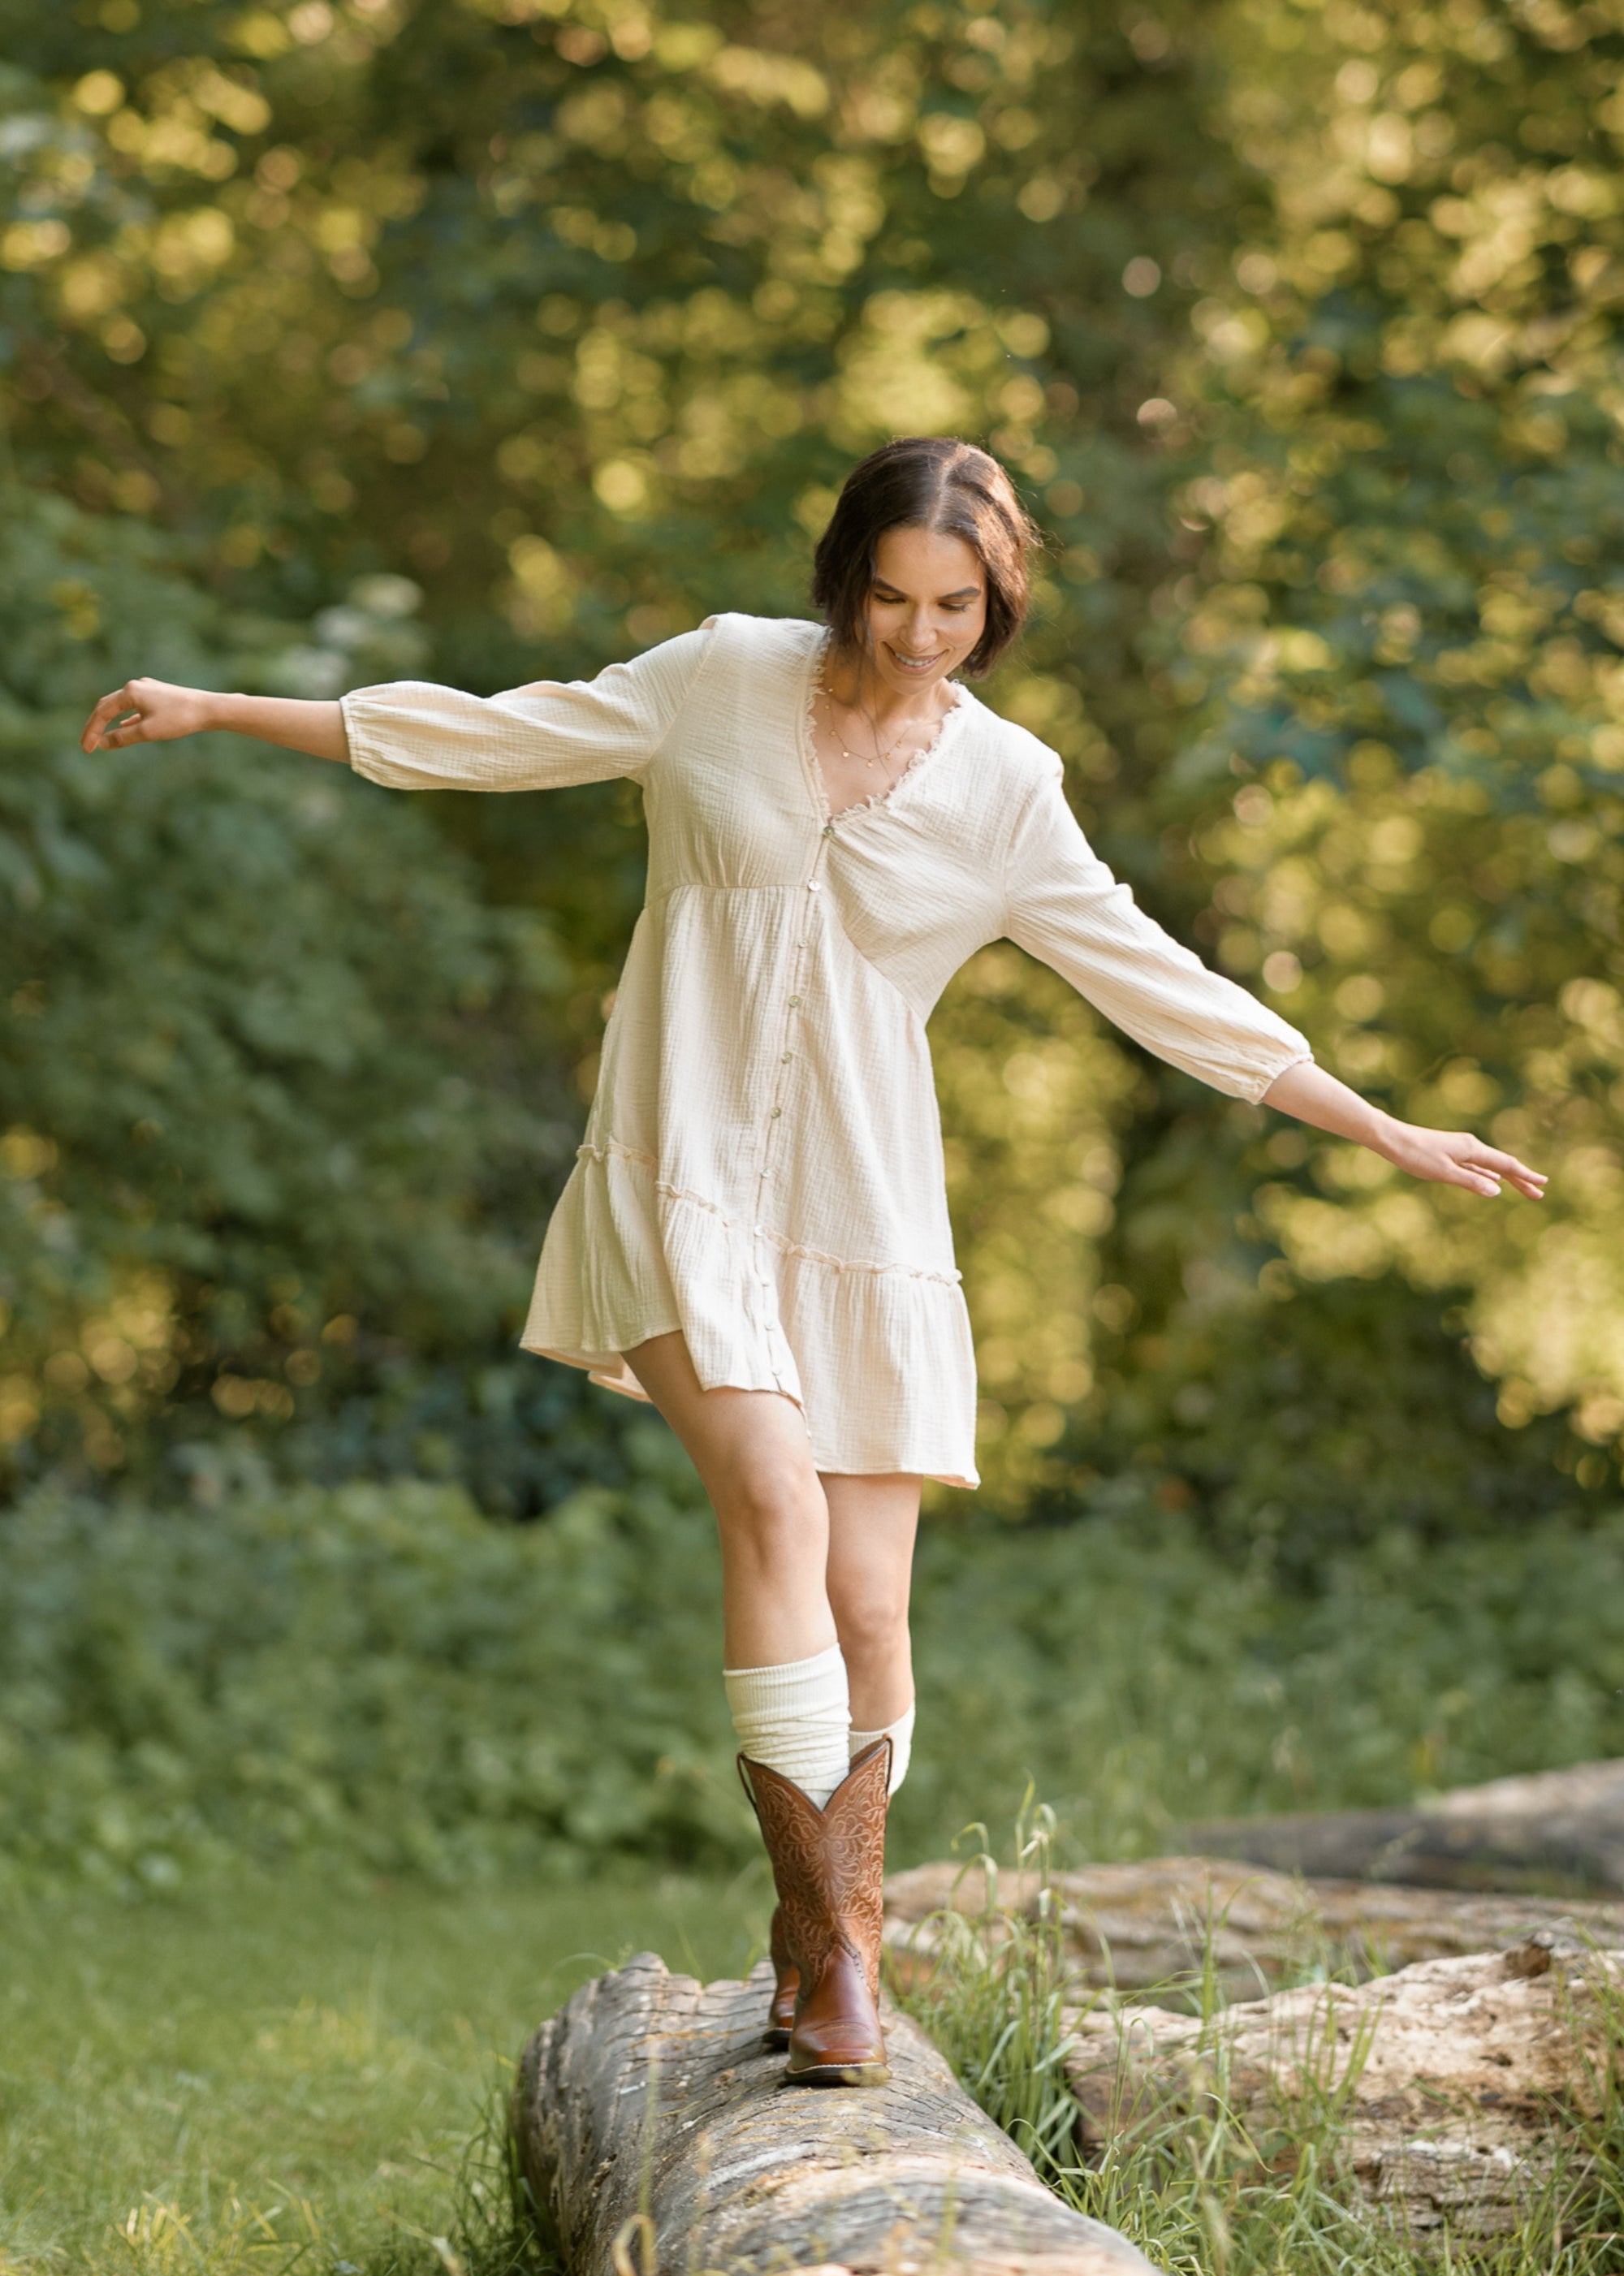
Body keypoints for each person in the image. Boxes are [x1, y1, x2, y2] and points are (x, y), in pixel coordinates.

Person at [81, 436, 1546, 2087]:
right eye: (893, 596)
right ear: (843, 574)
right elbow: (493, 735)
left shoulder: (1007, 789)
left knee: (868, 1599)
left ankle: (820, 1947)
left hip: (864, 1216)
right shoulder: (716, 679)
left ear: (999, 603)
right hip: (682, 1173)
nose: (922, 633)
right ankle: (839, 1954)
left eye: (959, 605)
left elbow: (1160, 983)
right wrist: (220, 709)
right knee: (770, 1498)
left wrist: (1383, 1130)